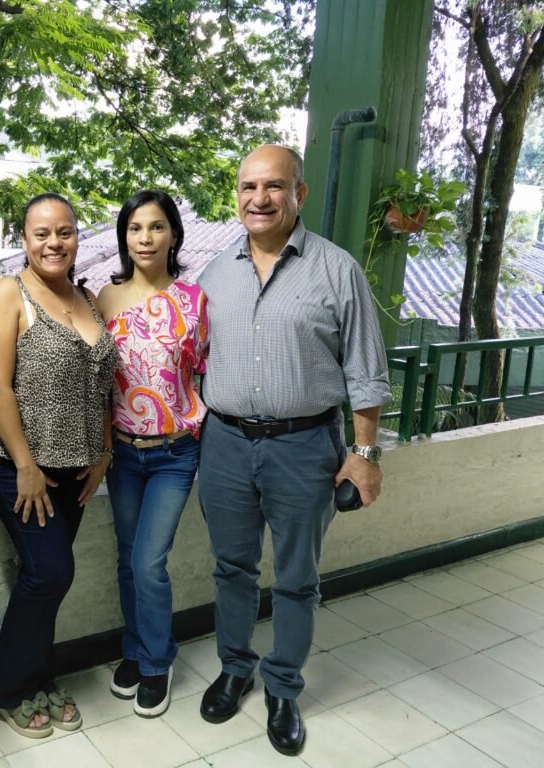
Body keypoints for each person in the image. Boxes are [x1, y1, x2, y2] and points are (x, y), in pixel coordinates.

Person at [196, 145, 391, 756]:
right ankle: (235, 668)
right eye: (249, 186)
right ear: (237, 195)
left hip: (305, 446)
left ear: (298, 194)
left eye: (274, 186)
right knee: (231, 568)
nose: (260, 198)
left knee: (297, 577)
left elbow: (366, 372)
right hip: (224, 442)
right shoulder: (213, 273)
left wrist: (364, 453)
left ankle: (283, 686)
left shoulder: (337, 270)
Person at [0, 193, 118, 738]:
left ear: (76, 236)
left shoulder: (86, 297)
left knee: (47, 579)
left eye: (64, 231)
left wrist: (104, 450)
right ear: (23, 239)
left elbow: (103, 382)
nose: (53, 242)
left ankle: (39, 676)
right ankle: (8, 687)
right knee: (50, 572)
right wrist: (26, 465)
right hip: (21, 465)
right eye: (41, 233)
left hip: (79, 464)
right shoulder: (8, 294)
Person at [97, 191, 208, 718]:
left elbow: (207, 372)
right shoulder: (105, 297)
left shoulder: (194, 300)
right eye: (135, 227)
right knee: (126, 560)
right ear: (124, 236)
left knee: (148, 563)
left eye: (156, 226)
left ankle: (157, 661)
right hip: (121, 453)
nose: (144, 237)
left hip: (175, 453)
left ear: (173, 235)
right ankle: (135, 649)